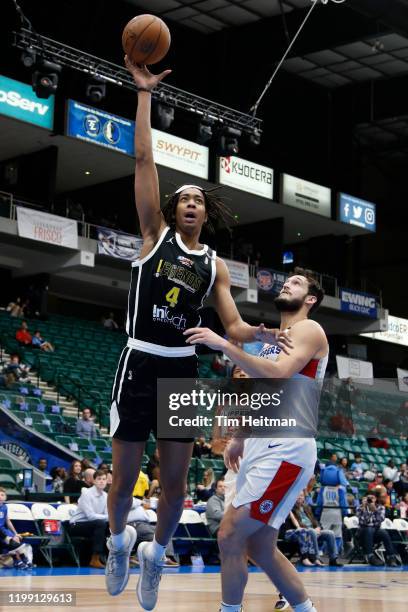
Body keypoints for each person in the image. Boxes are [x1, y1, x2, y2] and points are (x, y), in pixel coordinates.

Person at [105, 55, 291, 607]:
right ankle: (119, 542)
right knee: (122, 478)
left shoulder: (215, 264)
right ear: (171, 208)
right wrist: (143, 95)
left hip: (181, 369)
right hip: (140, 360)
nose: (189, 203)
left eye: (196, 200)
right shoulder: (151, 235)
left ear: (205, 213)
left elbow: (230, 324)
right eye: (182, 197)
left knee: (179, 481)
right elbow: (143, 157)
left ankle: (154, 556)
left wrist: (257, 332)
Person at [185, 268, 328, 612]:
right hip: (262, 445)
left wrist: (222, 344)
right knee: (260, 546)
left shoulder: (309, 329)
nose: (286, 284)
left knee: (229, 534)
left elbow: (279, 374)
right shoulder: (277, 337)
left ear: (310, 299)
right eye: (285, 281)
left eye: (295, 283)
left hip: (287, 447)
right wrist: (240, 436)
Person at [68, 469, 110, 568]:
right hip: (77, 524)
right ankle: (95, 559)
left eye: (104, 479)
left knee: (111, 525)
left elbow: (107, 515)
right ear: (94, 481)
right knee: (101, 524)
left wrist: (111, 520)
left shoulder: (106, 496)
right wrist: (109, 517)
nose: (102, 481)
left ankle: (113, 557)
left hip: (93, 524)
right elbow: (90, 516)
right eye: (99, 479)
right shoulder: (86, 493)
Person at [291, 492, 343, 567]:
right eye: (298, 496)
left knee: (330, 533)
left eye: (301, 495)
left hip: (313, 530)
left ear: (304, 498)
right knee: (311, 531)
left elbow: (314, 520)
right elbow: (297, 523)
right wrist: (311, 529)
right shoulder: (292, 509)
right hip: (304, 532)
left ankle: (333, 559)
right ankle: (316, 558)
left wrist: (318, 527)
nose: (300, 497)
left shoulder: (306, 507)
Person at [356, 493, 399, 566]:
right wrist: (366, 510)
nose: (370, 500)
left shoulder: (380, 507)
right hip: (363, 533)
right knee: (369, 529)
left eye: (372, 498)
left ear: (375, 499)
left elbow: (380, 520)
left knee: (383, 532)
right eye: (368, 498)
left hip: (375, 531)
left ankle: (391, 557)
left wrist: (374, 510)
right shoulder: (360, 508)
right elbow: (362, 522)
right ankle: (370, 556)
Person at [0, 487, 33, 568]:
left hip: (2, 530)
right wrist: (6, 537)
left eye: (2, 495)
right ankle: (19, 560)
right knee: (10, 541)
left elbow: (7, 521)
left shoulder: (4, 507)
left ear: (5, 497)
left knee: (15, 538)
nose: (0, 497)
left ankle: (22, 560)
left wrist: (15, 533)